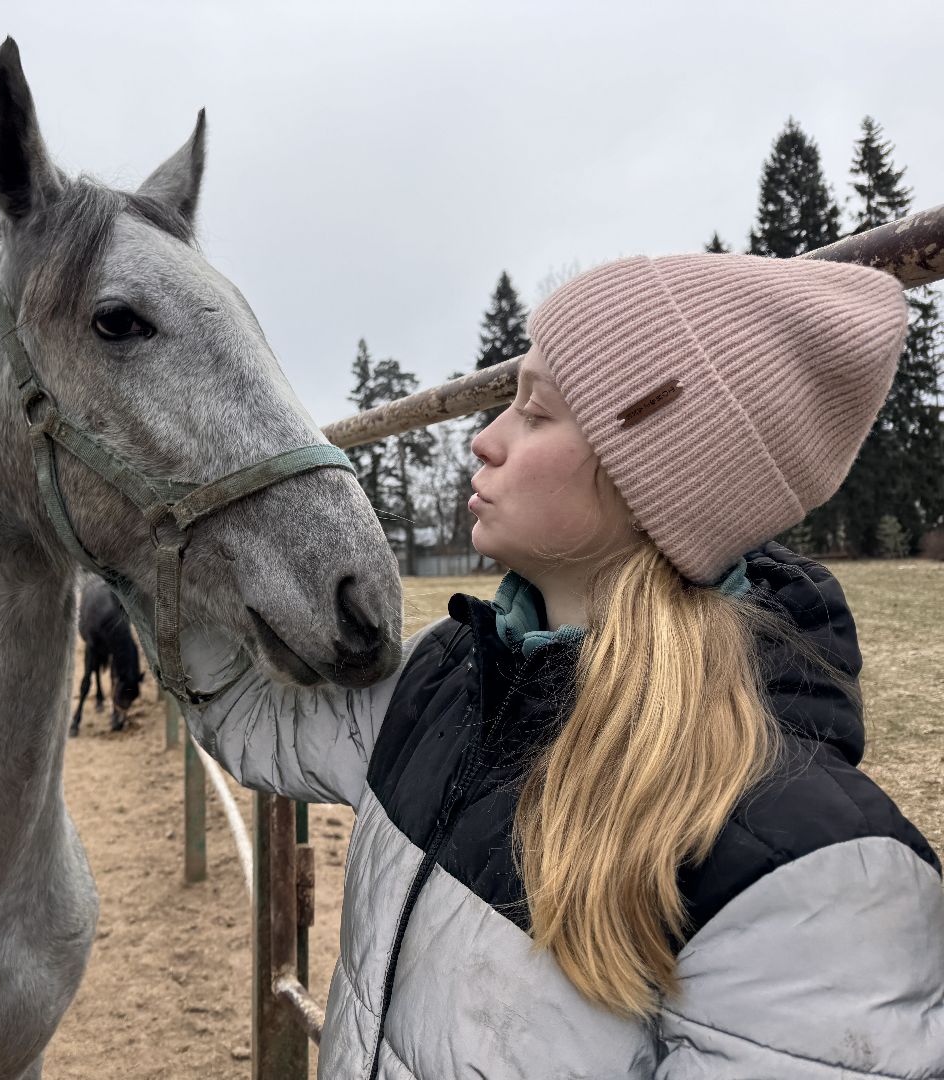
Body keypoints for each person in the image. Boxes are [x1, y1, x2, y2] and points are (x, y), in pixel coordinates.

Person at [179, 253, 944, 1078]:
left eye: (536, 412)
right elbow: (252, 714)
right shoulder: (447, 677)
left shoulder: (817, 880)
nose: (484, 439)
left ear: (656, 478)